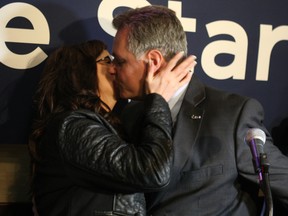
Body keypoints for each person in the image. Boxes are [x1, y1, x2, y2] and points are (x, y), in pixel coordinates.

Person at [111, 5, 288, 215]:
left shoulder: (232, 115)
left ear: (154, 61)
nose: (112, 68)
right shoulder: (128, 116)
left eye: (120, 61)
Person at [28, 40, 196, 216]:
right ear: (79, 72)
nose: (115, 69)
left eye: (118, 62)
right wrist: (158, 99)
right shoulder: (72, 127)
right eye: (107, 61)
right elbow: (153, 172)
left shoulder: (95, 125)